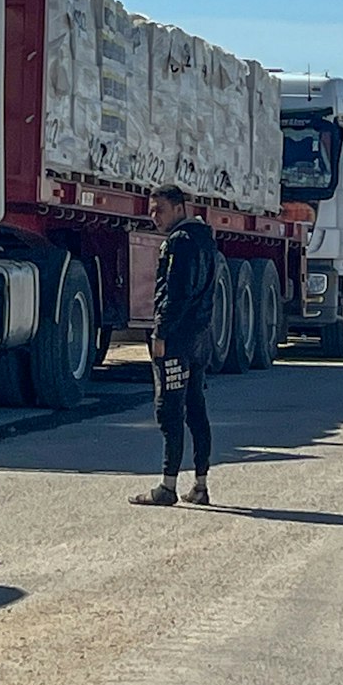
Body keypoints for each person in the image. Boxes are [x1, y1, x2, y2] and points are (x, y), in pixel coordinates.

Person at [131, 184, 219, 508]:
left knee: (169, 409)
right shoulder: (205, 238)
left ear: (179, 208)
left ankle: (167, 487)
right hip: (200, 338)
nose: (154, 217)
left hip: (178, 340)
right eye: (151, 210)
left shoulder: (179, 243)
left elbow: (176, 294)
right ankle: (200, 485)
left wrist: (161, 333)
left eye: (160, 210)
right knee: (196, 408)